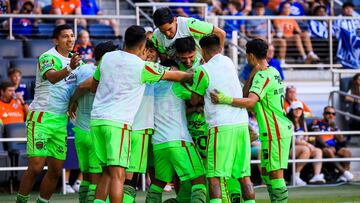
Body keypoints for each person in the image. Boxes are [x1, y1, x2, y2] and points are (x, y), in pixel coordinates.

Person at [89, 25, 193, 202]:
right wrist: (195, 74)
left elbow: (93, 86)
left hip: (96, 120)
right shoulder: (143, 67)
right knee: (118, 175)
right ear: (143, 44)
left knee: (106, 172)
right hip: (117, 124)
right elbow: (177, 77)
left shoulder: (107, 58)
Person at [210, 38, 293, 203]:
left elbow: (249, 102)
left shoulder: (263, 76)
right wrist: (252, 74)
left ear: (251, 55)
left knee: (275, 173)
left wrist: (223, 99)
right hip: (276, 129)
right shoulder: (273, 71)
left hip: (274, 131)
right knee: (266, 171)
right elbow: (246, 95)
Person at [16, 24, 82, 203]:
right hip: (41, 117)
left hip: (61, 120)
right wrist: (70, 68)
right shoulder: (48, 57)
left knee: (55, 170)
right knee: (36, 167)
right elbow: (52, 77)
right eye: (65, 36)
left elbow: (79, 86)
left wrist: (74, 101)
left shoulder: (77, 61)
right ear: (56, 40)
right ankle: (20, 201)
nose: (70, 39)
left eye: (72, 35)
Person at [190, 34, 255, 203]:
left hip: (221, 126)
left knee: (214, 176)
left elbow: (194, 100)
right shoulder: (228, 62)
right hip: (241, 124)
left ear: (202, 51)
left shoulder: (202, 71)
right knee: (244, 176)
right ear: (220, 48)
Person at [68, 41, 117, 202]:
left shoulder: (82, 69)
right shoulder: (104, 72)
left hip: (80, 132)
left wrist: (73, 102)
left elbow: (76, 87)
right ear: (106, 57)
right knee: (99, 179)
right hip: (94, 132)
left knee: (87, 177)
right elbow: (83, 86)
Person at [151, 7, 225, 62]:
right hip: (178, 72)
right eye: (163, 31)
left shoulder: (190, 25)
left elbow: (221, 33)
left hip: (200, 65)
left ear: (175, 20)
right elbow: (164, 60)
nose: (167, 34)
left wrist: (217, 59)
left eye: (169, 29)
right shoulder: (156, 36)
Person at [311, 106, 354, 182]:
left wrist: (335, 128)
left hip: (334, 146)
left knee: (347, 152)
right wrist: (327, 145)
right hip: (322, 147)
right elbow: (317, 136)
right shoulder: (317, 122)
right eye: (328, 113)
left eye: (333, 114)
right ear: (323, 114)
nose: (331, 115)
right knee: (329, 151)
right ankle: (344, 172)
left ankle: (342, 176)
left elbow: (341, 140)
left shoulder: (334, 125)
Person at [287, 101, 326, 185]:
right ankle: (295, 176)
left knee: (318, 151)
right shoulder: (288, 122)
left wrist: (306, 142)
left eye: (300, 109)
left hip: (301, 146)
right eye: (295, 109)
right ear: (291, 110)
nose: (298, 111)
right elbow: (292, 140)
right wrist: (307, 144)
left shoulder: (303, 122)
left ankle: (316, 176)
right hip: (289, 148)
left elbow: (306, 136)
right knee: (306, 149)